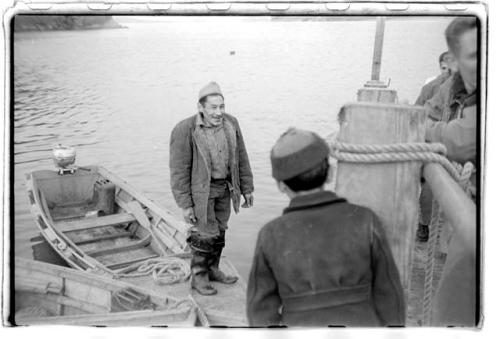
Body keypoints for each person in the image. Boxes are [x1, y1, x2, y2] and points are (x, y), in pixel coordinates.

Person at [246, 128, 405, 327]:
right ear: (330, 173)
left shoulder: (270, 235)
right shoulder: (365, 220)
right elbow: (389, 292)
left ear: (280, 186)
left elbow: (259, 308)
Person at [169, 82, 254, 295]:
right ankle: (199, 277)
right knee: (203, 233)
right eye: (213, 107)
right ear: (201, 107)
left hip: (226, 188)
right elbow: (178, 171)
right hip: (201, 192)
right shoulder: (184, 129)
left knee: (220, 229)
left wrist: (247, 187)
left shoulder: (231, 123)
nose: (219, 112)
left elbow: (241, 157)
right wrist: (186, 205)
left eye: (222, 107)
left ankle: (213, 269)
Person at [423, 17, 478, 327]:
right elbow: (428, 111)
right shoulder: (445, 88)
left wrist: (421, 130)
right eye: (473, 55)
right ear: (454, 61)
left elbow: (464, 138)